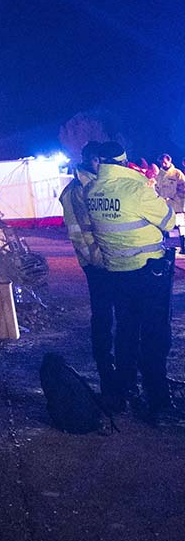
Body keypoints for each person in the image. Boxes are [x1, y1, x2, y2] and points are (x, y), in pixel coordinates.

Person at [85, 141, 176, 422]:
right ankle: (158, 397)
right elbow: (169, 221)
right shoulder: (136, 190)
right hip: (149, 274)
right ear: (124, 162)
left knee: (125, 332)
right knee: (154, 336)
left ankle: (125, 388)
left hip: (116, 273)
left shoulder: (93, 192)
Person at [59, 141, 115, 397]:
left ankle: (114, 369)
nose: (102, 165)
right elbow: (79, 234)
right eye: (99, 160)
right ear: (90, 160)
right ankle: (107, 373)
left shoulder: (92, 184)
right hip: (98, 264)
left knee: (113, 317)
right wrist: (99, 261)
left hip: (108, 261)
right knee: (103, 317)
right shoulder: (78, 190)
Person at [155, 153, 185, 250]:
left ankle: (183, 246)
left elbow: (183, 188)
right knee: (164, 225)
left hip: (177, 205)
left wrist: (176, 197)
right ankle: (165, 245)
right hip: (164, 205)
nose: (163, 165)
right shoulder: (159, 175)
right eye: (161, 163)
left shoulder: (177, 173)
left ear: (169, 161)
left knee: (181, 226)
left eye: (164, 162)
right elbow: (156, 188)